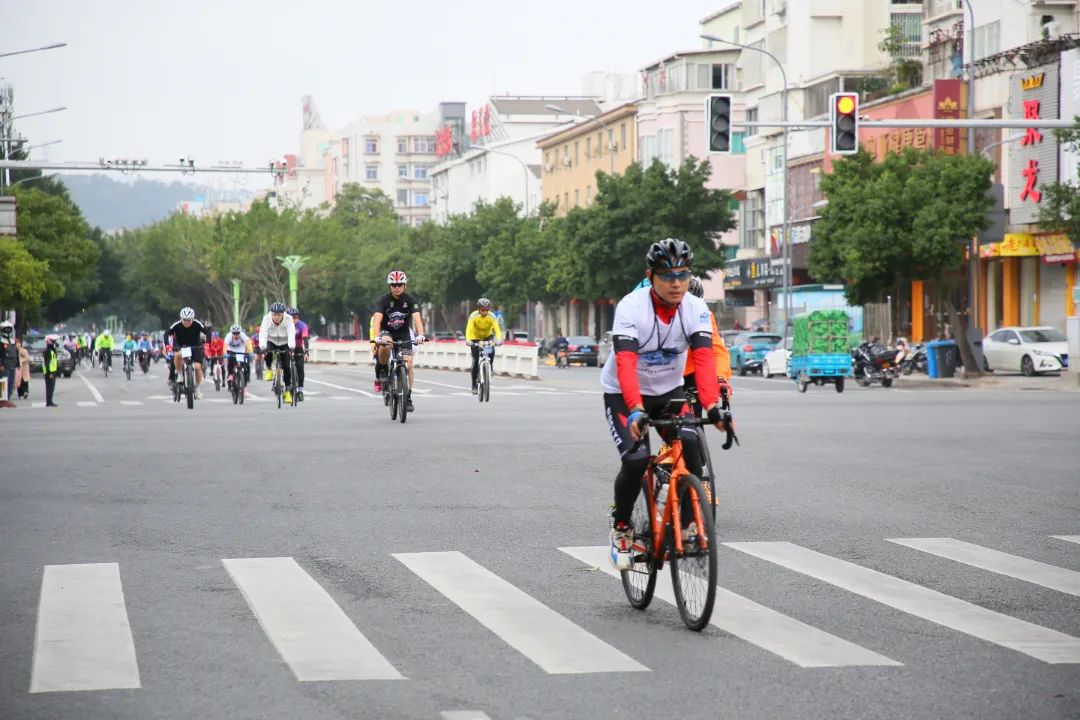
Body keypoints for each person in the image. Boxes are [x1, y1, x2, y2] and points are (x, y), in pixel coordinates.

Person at [601, 238, 729, 570]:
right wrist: (635, 409)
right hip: (624, 393)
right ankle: (621, 528)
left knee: (690, 443)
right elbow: (626, 364)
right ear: (651, 276)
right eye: (667, 276)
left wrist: (713, 404)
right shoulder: (631, 307)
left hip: (668, 390)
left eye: (683, 275)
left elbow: (703, 360)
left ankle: (686, 526)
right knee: (636, 458)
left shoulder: (696, 308)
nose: (676, 283)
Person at [372, 270, 426, 412]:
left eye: (400, 284)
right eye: (394, 285)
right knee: (386, 344)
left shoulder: (410, 300)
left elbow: (417, 319)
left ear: (405, 285)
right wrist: (376, 337)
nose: (397, 287)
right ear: (389, 286)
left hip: (404, 334)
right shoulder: (383, 300)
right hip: (387, 333)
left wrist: (421, 335)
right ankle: (383, 367)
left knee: (408, 364)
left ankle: (407, 397)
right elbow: (377, 319)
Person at [682, 276, 733, 417]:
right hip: (666, 374)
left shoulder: (705, 316)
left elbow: (717, 351)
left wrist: (721, 378)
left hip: (692, 373)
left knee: (695, 419)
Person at [164, 307, 210, 399]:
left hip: (195, 347)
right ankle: (180, 375)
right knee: (177, 355)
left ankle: (197, 389)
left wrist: (207, 343)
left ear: (192, 319)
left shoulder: (197, 324)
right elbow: (166, 333)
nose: (187, 322)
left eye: (189, 320)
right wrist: (167, 345)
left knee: (197, 367)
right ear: (181, 319)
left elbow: (207, 332)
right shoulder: (177, 325)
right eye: (184, 320)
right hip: (181, 346)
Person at [259, 302, 297, 404]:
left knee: (286, 366)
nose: (276, 317)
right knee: (268, 353)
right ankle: (268, 369)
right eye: (274, 314)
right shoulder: (266, 319)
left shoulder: (288, 319)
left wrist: (291, 347)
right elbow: (263, 333)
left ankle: (288, 391)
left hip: (284, 342)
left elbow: (291, 332)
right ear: (271, 314)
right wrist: (262, 347)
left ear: (283, 314)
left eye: (279, 315)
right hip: (271, 340)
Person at [465, 297, 503, 393]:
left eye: (487, 310)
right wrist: (468, 340)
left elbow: (497, 329)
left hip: (487, 337)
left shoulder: (492, 316)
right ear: (479, 309)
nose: (485, 312)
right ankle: (474, 385)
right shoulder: (473, 316)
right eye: (483, 310)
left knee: (492, 350)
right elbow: (468, 329)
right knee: (475, 360)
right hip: (475, 338)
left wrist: (499, 339)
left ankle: (490, 366)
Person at [288, 307, 310, 400]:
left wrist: (306, 352)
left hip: (298, 349)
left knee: (300, 368)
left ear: (298, 317)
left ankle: (300, 391)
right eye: (291, 317)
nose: (294, 319)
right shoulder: (285, 326)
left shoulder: (302, 326)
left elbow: (305, 339)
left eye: (295, 317)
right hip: (287, 348)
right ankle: (287, 387)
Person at [223, 324, 251, 389]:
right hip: (231, 350)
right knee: (230, 362)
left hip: (241, 351)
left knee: (246, 365)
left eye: (237, 333)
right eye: (234, 333)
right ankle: (230, 375)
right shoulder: (228, 336)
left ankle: (245, 381)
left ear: (240, 332)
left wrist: (250, 352)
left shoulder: (242, 335)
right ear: (231, 333)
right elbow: (225, 346)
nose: (236, 335)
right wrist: (225, 354)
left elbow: (248, 343)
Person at [41, 335, 61, 407]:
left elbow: (54, 361)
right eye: (53, 341)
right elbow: (47, 363)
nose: (54, 343)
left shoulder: (52, 350)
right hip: (49, 372)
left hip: (53, 371)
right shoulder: (47, 351)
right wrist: (49, 373)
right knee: (49, 387)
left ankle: (50, 401)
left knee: (52, 387)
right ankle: (49, 402)